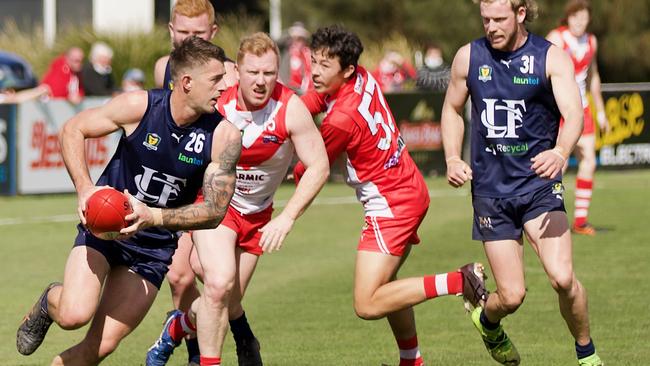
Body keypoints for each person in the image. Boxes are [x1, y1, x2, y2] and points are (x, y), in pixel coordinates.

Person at [16, 37, 240, 365]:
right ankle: (50, 301)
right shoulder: (141, 106)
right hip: (104, 229)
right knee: (73, 315)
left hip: (152, 249)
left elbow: (214, 211)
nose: (225, 86)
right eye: (216, 79)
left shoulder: (224, 136)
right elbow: (71, 130)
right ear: (187, 82)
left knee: (100, 348)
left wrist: (153, 217)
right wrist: (84, 188)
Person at [297, 25, 487, 366]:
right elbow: (315, 97)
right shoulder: (361, 77)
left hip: (392, 205)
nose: (315, 70)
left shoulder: (341, 119)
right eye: (313, 61)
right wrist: (291, 109)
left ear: (346, 70)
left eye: (324, 65)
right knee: (386, 287)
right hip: (407, 188)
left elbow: (310, 168)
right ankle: (411, 360)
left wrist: (274, 150)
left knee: (367, 303)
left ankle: (460, 280)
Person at [145, 31, 329, 366]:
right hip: (217, 208)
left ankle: (178, 327)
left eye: (269, 73)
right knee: (218, 283)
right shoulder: (219, 104)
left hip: (258, 216)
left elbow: (319, 166)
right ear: (238, 72)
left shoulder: (290, 109)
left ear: (278, 72)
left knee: (227, 299)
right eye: (253, 73)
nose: (261, 81)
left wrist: (286, 218)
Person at [441, 1, 603, 365]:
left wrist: (561, 152)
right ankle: (487, 320)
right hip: (490, 192)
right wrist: (452, 156)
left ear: (521, 13)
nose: (491, 27)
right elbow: (451, 109)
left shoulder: (550, 57)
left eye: (499, 19)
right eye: (485, 19)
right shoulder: (468, 57)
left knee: (563, 278)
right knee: (511, 296)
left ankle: (587, 354)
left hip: (538, 186)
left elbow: (574, 113)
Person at [152, 1, 248, 364]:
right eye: (183, 32)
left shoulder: (231, 75)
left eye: (199, 33)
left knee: (218, 283)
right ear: (171, 30)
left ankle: (235, 338)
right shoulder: (165, 67)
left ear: (214, 32)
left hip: (215, 189)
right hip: (174, 188)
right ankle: (192, 347)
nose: (189, 39)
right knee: (179, 277)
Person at [546, 0, 608, 236]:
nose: (580, 21)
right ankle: (553, 212)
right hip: (559, 109)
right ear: (568, 17)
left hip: (582, 109)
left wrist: (600, 111)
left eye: (584, 17)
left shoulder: (591, 41)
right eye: (575, 16)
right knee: (556, 163)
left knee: (589, 160)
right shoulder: (557, 38)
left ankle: (580, 220)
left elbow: (593, 76)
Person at [279, 22, 314, 95]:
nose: (296, 42)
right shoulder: (286, 51)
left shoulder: (308, 55)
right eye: (294, 39)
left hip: (305, 92)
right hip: (288, 90)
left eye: (300, 39)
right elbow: (278, 41)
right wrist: (290, 33)